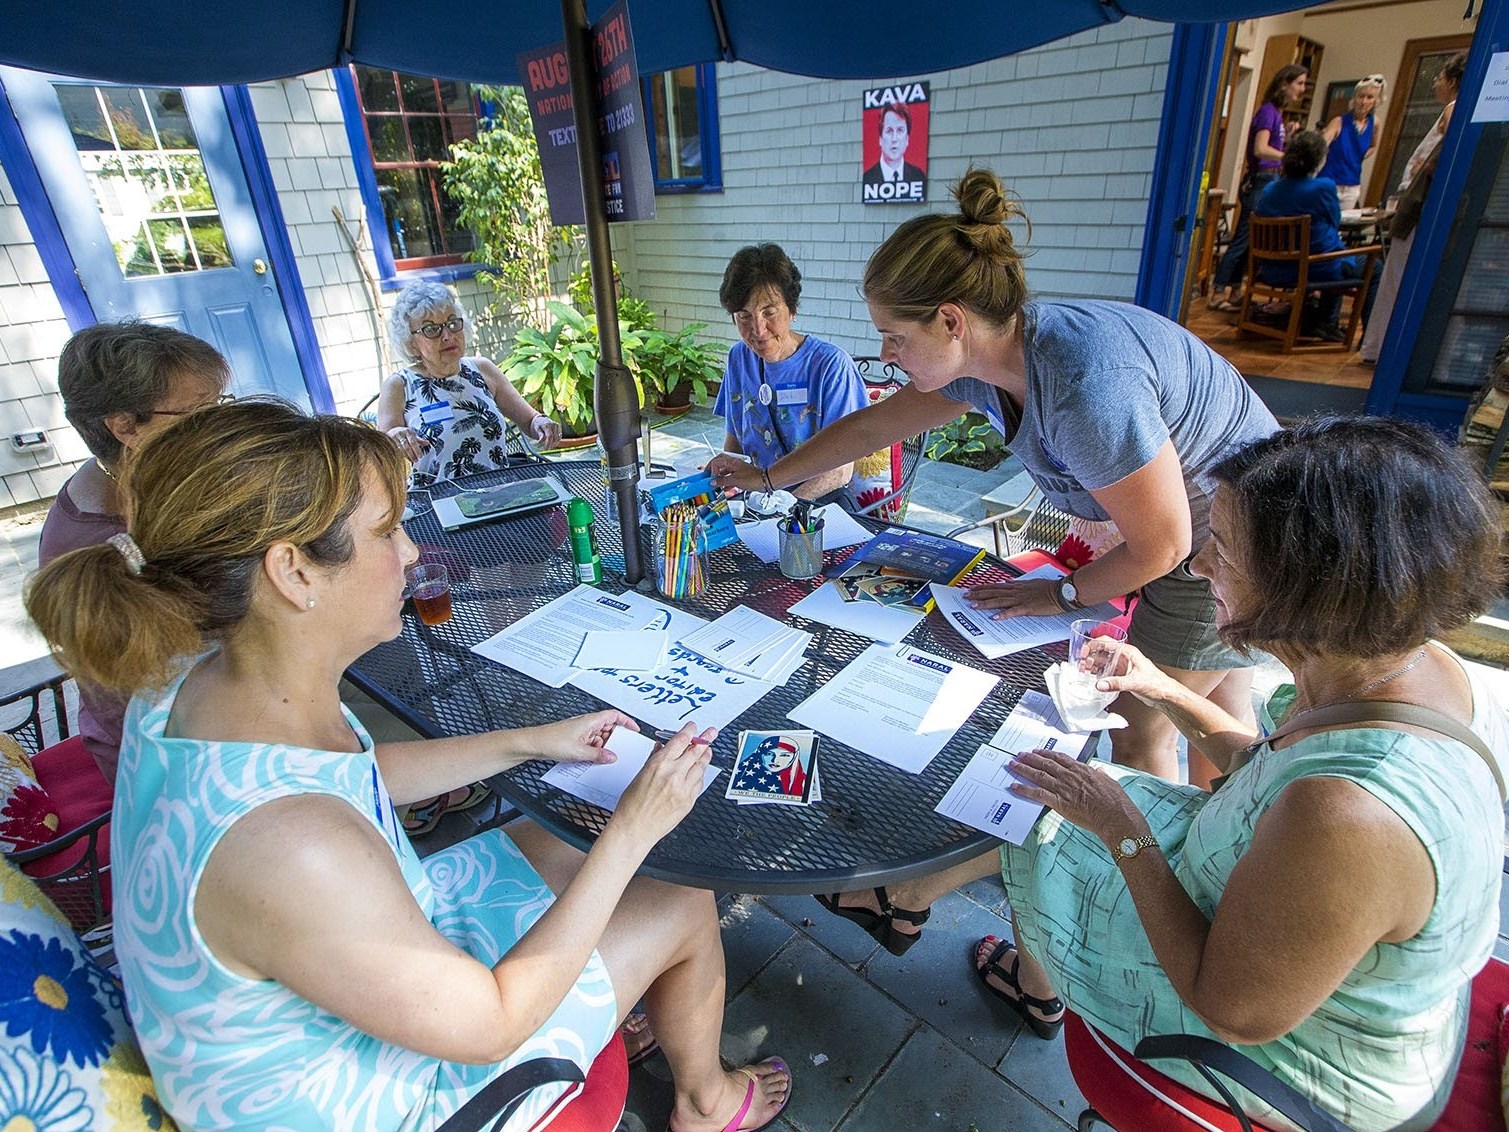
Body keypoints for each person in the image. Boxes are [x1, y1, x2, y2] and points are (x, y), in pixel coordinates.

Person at [24, 398, 792, 1132]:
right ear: (293, 573)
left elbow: (347, 780)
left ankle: (618, 998)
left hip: (342, 967)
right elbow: (490, 1023)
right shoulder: (292, 847)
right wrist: (633, 831)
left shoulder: (198, 679)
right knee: (672, 888)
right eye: (387, 530)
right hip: (383, 1094)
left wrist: (529, 741)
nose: (412, 551)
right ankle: (704, 1101)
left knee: (588, 835)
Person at [816, 417, 1506, 1132]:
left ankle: (915, 902)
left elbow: (1230, 1008)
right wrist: (1162, 687)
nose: (1200, 565)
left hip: (1285, 1059)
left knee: (1036, 802)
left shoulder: (1349, 815)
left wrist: (1122, 832)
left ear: (1312, 588)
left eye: (1226, 551)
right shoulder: (1409, 667)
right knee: (1041, 784)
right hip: (1282, 913)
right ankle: (945, 921)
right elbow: (1269, 768)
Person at [711, 169, 1279, 783]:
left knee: (1141, 727)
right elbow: (868, 429)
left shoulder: (1081, 383)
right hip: (1216, 521)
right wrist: (766, 478)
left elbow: (1163, 543)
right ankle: (1228, 852)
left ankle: (1162, 870)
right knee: (1223, 713)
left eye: (895, 337)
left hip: (1228, 544)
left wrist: (1061, 593)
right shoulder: (989, 361)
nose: (884, 355)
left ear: (952, 322)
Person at [37, 320, 230, 784]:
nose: (220, 423)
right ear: (125, 426)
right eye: (199, 412)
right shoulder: (103, 544)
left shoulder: (132, 477)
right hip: (167, 758)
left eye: (219, 404)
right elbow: (190, 680)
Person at [714, 243, 873, 508]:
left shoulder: (831, 366)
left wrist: (780, 507)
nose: (758, 329)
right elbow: (735, 440)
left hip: (816, 502)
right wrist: (724, 473)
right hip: (757, 501)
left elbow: (839, 471)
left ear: (792, 309)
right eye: (744, 316)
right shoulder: (738, 358)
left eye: (769, 312)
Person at [378, 280, 562, 487]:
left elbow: (529, 420)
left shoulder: (482, 369)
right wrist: (394, 436)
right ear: (411, 343)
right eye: (431, 329)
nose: (447, 336)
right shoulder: (399, 385)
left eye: (452, 324)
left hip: (501, 496)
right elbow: (381, 452)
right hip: (437, 505)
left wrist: (540, 423)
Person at [1360, 52, 1465, 364]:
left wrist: (1430, 167)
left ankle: (1381, 349)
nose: (1435, 82)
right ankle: (1380, 348)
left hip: (1419, 212)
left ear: (1453, 81)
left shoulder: (1453, 108)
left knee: (1395, 281)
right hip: (1417, 211)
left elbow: (1452, 149)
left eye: (1440, 77)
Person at [1253, 130, 1376, 342]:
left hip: (1272, 268)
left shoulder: (1270, 190)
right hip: (1313, 267)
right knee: (1373, 266)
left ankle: (1324, 320)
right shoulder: (1323, 188)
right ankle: (1369, 339)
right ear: (1318, 160)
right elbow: (1334, 220)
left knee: (1333, 255)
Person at [1209, 64, 1310, 313]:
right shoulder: (1267, 112)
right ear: (1284, 83)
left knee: (1252, 240)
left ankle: (1235, 290)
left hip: (1269, 180)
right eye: (1299, 83)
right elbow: (1260, 148)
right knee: (1243, 238)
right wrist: (1287, 156)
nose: (1302, 89)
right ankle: (1218, 290)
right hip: (1261, 180)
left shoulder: (1277, 114)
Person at [1319, 74, 1384, 210]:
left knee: (1342, 225)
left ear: (1376, 101)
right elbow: (1322, 144)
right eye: (1361, 96)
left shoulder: (1375, 123)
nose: (1364, 101)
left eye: (1369, 97)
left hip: (1352, 185)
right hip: (1330, 181)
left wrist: (1358, 156)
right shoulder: (1339, 122)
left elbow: (1373, 146)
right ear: (1355, 98)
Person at [862, 102, 926, 202]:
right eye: (889, 131)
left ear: (907, 139)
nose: (894, 139)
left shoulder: (918, 176)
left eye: (900, 130)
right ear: (880, 139)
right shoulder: (867, 178)